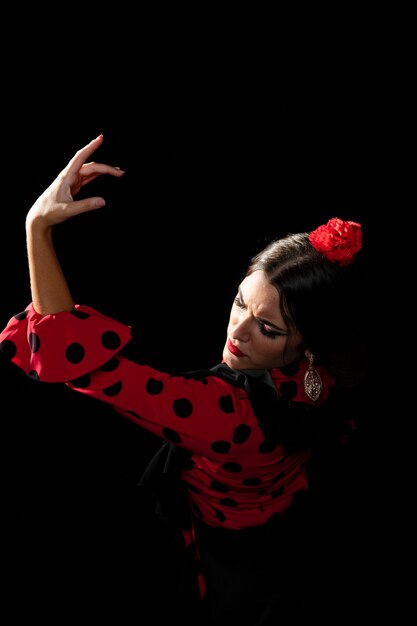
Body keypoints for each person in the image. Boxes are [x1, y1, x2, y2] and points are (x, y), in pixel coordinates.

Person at [0, 134, 368, 624]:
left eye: (268, 328)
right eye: (241, 301)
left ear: (307, 344)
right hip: (293, 537)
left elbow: (82, 361)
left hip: (235, 569)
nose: (237, 332)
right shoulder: (320, 377)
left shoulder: (224, 414)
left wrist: (36, 228)